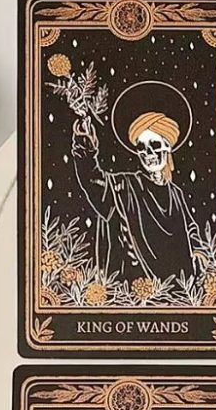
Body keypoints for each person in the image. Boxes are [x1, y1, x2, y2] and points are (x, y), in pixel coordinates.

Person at [71, 111, 200, 282]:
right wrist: (85, 142)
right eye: (141, 147)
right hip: (138, 284)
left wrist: (198, 252)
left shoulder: (176, 194)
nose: (148, 153)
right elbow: (92, 180)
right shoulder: (125, 186)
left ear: (168, 146)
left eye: (155, 145)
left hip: (180, 285)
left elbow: (190, 228)